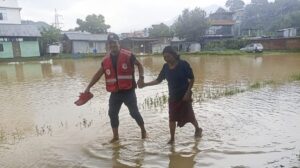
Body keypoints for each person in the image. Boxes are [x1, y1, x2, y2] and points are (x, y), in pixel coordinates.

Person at [83, 33, 147, 143]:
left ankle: (143, 131)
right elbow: (98, 75)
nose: (113, 45)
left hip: (128, 91)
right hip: (115, 93)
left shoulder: (128, 55)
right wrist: (88, 87)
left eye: (114, 43)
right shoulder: (105, 60)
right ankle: (116, 137)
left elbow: (140, 65)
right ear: (108, 45)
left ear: (119, 43)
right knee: (112, 113)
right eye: (110, 44)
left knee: (134, 113)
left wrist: (141, 78)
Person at [140, 46, 202, 144]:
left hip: (184, 96)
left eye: (168, 56)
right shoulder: (165, 67)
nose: (166, 59)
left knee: (190, 116)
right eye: (164, 57)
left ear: (174, 55)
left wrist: (188, 92)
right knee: (172, 118)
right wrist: (145, 85)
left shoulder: (183, 64)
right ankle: (172, 138)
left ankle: (198, 129)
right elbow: (158, 80)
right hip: (173, 97)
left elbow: (192, 79)